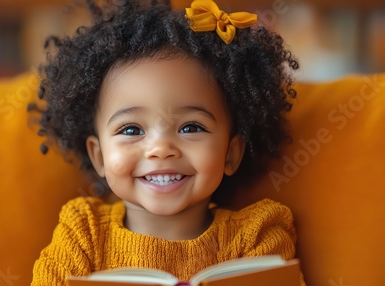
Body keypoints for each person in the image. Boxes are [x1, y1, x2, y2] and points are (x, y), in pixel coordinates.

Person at [30, 0, 305, 285]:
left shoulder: (257, 236)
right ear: (99, 157)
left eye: (191, 127)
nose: (161, 148)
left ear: (231, 154)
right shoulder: (82, 233)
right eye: (131, 130)